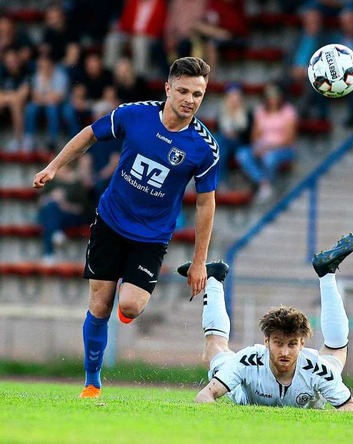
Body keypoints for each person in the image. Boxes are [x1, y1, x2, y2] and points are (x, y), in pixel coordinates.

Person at [32, 57, 220, 399]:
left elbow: (205, 203)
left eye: (198, 94)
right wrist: (54, 167)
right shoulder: (134, 114)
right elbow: (90, 135)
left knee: (130, 306)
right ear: (167, 88)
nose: (190, 100)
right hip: (110, 222)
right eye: (183, 91)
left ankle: (127, 299)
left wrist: (199, 261)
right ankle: (92, 382)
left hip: (151, 236)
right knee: (100, 305)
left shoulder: (203, 148)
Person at [180, 232, 353, 412]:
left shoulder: (317, 369)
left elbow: (352, 407)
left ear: (302, 345)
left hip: (316, 375)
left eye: (292, 344)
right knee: (214, 350)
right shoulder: (247, 361)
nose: (285, 352)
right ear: (266, 341)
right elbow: (204, 396)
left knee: (334, 358)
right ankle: (326, 274)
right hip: (240, 390)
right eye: (278, 343)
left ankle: (214, 278)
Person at [235, 82, 297, 203]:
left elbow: (289, 139)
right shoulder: (260, 110)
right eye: (270, 96)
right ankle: (264, 183)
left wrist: (270, 147)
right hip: (264, 146)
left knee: (269, 158)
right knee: (242, 154)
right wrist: (259, 146)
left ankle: (265, 186)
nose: (272, 99)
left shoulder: (288, 111)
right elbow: (255, 135)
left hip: (283, 148)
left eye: (275, 96)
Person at [37, 162, 93, 264]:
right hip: (52, 214)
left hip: (70, 216)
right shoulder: (51, 182)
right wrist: (52, 197)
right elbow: (41, 202)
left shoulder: (77, 184)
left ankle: (48, 252)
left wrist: (65, 206)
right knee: (51, 207)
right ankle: (56, 233)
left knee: (50, 215)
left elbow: (82, 209)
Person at [103, 0, 168, 78]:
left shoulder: (160, 3)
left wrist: (142, 34)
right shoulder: (134, 2)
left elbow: (159, 26)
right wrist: (129, 33)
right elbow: (125, 21)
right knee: (112, 39)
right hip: (131, 34)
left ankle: (139, 76)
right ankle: (109, 73)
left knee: (139, 42)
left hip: (150, 36)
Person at [23, 53, 69, 152]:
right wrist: (46, 98)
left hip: (60, 105)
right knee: (31, 108)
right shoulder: (37, 76)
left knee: (52, 109)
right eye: (40, 66)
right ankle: (29, 138)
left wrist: (46, 84)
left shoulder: (60, 75)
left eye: (45, 66)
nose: (43, 68)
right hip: (44, 103)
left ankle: (53, 138)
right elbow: (35, 97)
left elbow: (58, 97)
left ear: (51, 65)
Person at [214, 82, 252, 186]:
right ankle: (219, 181)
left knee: (221, 142)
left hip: (240, 143)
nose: (234, 98)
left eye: (236, 96)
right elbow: (218, 129)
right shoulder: (222, 111)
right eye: (231, 95)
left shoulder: (247, 112)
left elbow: (248, 135)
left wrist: (236, 134)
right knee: (222, 144)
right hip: (225, 143)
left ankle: (218, 181)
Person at [0, 46, 30, 151]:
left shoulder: (25, 71)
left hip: (21, 105)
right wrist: (11, 97)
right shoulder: (2, 71)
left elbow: (23, 95)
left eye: (14, 60)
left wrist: (8, 96)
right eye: (9, 61)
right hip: (5, 103)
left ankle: (18, 140)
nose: (12, 63)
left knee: (16, 104)